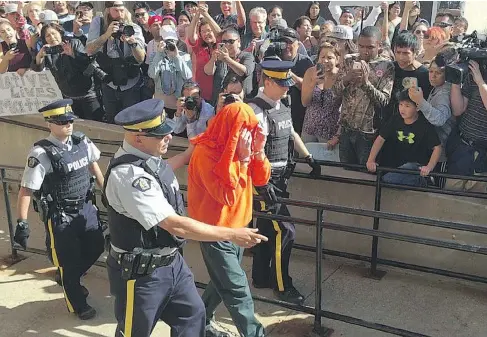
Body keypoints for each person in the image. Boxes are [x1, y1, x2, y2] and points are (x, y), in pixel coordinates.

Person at [103, 98, 267, 337]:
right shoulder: (129, 177)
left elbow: (164, 168)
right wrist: (232, 234)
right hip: (141, 276)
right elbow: (174, 224)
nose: (168, 137)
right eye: (160, 135)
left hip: (172, 265)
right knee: (134, 332)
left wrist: (193, 149)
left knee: (193, 316)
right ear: (138, 138)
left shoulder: (149, 160)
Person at [13, 99, 105, 320]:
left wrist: (107, 193)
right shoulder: (41, 153)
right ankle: (78, 303)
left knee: (97, 246)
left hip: (86, 208)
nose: (68, 125)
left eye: (70, 120)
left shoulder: (82, 142)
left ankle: (67, 277)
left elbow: (94, 166)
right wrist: (21, 222)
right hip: (61, 215)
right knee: (69, 261)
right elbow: (26, 188)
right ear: (49, 124)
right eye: (62, 121)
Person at [187, 101, 270, 337]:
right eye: (242, 129)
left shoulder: (242, 148)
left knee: (221, 279)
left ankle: (199, 322)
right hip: (215, 231)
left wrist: (258, 151)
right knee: (236, 287)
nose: (247, 134)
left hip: (239, 228)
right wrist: (243, 161)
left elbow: (262, 179)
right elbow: (227, 196)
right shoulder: (205, 153)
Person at [247, 58, 321, 305]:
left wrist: (308, 157)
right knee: (286, 230)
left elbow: (290, 133)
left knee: (268, 229)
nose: (287, 88)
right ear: (267, 82)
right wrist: (259, 184)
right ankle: (282, 284)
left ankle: (260, 277)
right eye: (282, 84)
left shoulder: (282, 104)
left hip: (279, 178)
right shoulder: (256, 111)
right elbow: (249, 151)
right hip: (265, 181)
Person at [333, 26, 395, 165]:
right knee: (344, 173)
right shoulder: (349, 60)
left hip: (368, 133)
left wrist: (366, 84)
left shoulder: (386, 66)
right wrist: (346, 79)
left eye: (370, 47)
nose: (364, 51)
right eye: (361, 46)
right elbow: (335, 92)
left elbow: (384, 101)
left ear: (379, 45)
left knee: (363, 177)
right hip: (346, 129)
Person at [367, 89, 442, 187]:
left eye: (407, 106)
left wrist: (429, 167)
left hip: (414, 166)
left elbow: (437, 148)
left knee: (390, 178)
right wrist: (371, 160)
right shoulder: (395, 119)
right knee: (386, 178)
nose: (402, 109)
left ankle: (423, 181)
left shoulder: (424, 124)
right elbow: (380, 139)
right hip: (394, 166)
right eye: (400, 105)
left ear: (418, 108)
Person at [86, 1, 145, 123]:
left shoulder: (133, 28)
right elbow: (89, 50)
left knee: (131, 120)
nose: (120, 14)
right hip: (109, 81)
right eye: (116, 11)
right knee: (111, 119)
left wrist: (132, 43)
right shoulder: (100, 23)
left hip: (130, 82)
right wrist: (106, 34)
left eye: (122, 10)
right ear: (108, 11)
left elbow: (140, 59)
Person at [33, 22, 104, 121]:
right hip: (68, 97)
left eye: (54, 33)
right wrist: (39, 56)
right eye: (48, 36)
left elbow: (86, 63)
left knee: (95, 123)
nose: (52, 37)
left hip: (88, 95)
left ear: (60, 33)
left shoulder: (74, 43)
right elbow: (38, 68)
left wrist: (73, 55)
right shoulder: (48, 51)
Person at [407, 52, 454, 188]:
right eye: (431, 71)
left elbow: (439, 119)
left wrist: (420, 102)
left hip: (442, 152)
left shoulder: (444, 92)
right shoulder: (438, 88)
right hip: (433, 148)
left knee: (438, 188)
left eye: (438, 73)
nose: (432, 76)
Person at [301, 43, 341, 161]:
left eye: (330, 57)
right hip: (310, 128)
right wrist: (313, 83)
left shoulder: (341, 76)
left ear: (337, 59)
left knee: (327, 168)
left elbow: (345, 109)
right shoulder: (310, 72)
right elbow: (304, 102)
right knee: (306, 164)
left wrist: (338, 135)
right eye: (322, 57)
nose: (325, 61)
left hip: (330, 131)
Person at [148, 25, 192, 118]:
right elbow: (152, 74)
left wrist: (177, 57)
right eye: (167, 41)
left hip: (177, 104)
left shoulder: (184, 56)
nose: (170, 43)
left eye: (173, 41)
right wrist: (159, 54)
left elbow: (188, 76)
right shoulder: (155, 56)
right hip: (160, 105)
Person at [205, 27, 255, 104]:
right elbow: (208, 72)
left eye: (231, 41)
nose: (227, 44)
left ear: (238, 42)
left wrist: (227, 59)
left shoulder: (247, 56)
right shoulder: (220, 57)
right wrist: (213, 59)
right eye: (224, 41)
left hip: (242, 103)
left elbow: (245, 72)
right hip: (221, 103)